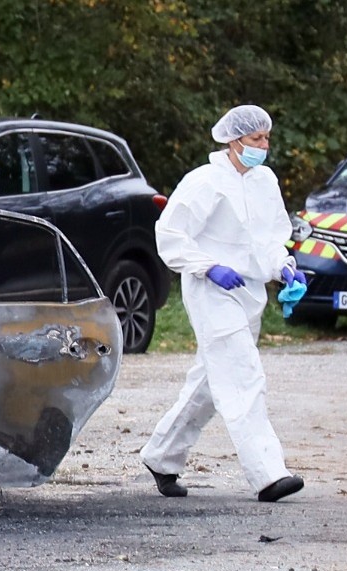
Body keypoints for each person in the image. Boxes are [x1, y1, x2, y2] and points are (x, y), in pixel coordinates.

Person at [140, 104, 305, 503]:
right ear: (233, 141)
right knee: (243, 374)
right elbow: (172, 233)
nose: (263, 146)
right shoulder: (205, 181)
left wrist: (284, 268)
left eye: (266, 138)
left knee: (210, 382)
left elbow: (269, 238)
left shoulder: (264, 181)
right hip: (211, 289)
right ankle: (268, 474)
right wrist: (207, 266)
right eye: (255, 139)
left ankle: (162, 456)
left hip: (248, 292)